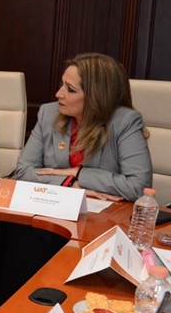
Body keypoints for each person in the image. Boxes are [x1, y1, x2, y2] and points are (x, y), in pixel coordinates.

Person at [15, 52, 151, 201]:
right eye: (62, 84)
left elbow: (138, 186)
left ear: (96, 97)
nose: (58, 94)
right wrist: (71, 185)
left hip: (105, 211)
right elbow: (24, 171)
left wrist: (78, 173)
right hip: (55, 204)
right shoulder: (48, 113)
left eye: (70, 89)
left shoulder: (125, 121)